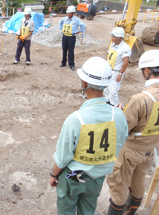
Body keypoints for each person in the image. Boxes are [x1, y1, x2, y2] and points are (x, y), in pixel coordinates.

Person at [50, 57, 128, 215]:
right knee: (88, 210)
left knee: (66, 209)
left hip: (74, 175)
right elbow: (120, 141)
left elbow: (63, 156)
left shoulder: (76, 119)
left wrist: (54, 174)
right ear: (106, 84)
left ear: (84, 83)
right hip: (97, 177)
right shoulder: (118, 115)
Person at [107, 50, 159, 215]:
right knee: (138, 181)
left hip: (131, 150)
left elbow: (123, 128)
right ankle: (130, 212)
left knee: (118, 184)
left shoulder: (141, 99)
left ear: (147, 71)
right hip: (150, 148)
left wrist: (119, 113)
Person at [104, 27, 131, 106]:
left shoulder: (125, 48)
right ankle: (107, 102)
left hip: (116, 72)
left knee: (113, 91)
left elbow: (125, 62)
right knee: (106, 89)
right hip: (109, 70)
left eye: (114, 37)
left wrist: (120, 74)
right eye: (112, 36)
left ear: (120, 38)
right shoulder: (113, 44)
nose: (112, 38)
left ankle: (115, 105)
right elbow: (109, 55)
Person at [59, 6, 86, 71]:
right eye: (67, 13)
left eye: (69, 13)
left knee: (71, 51)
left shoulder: (76, 20)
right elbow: (60, 23)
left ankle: (71, 64)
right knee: (64, 50)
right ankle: (63, 62)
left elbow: (83, 26)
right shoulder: (65, 19)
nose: (68, 14)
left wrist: (79, 31)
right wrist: (61, 28)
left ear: (73, 13)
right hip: (65, 36)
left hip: (72, 37)